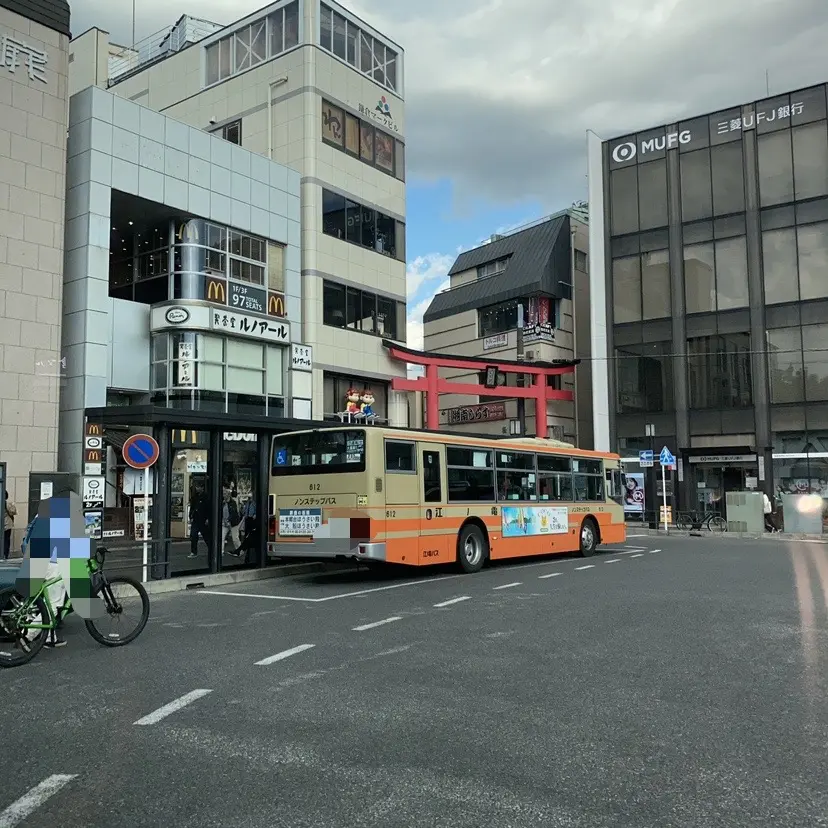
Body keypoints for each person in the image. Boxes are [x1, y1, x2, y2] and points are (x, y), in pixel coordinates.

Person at [4, 491, 16, 560]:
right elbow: (13, 512)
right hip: (7, 524)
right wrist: (13, 505)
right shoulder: (7, 504)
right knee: (6, 540)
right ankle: (5, 555)